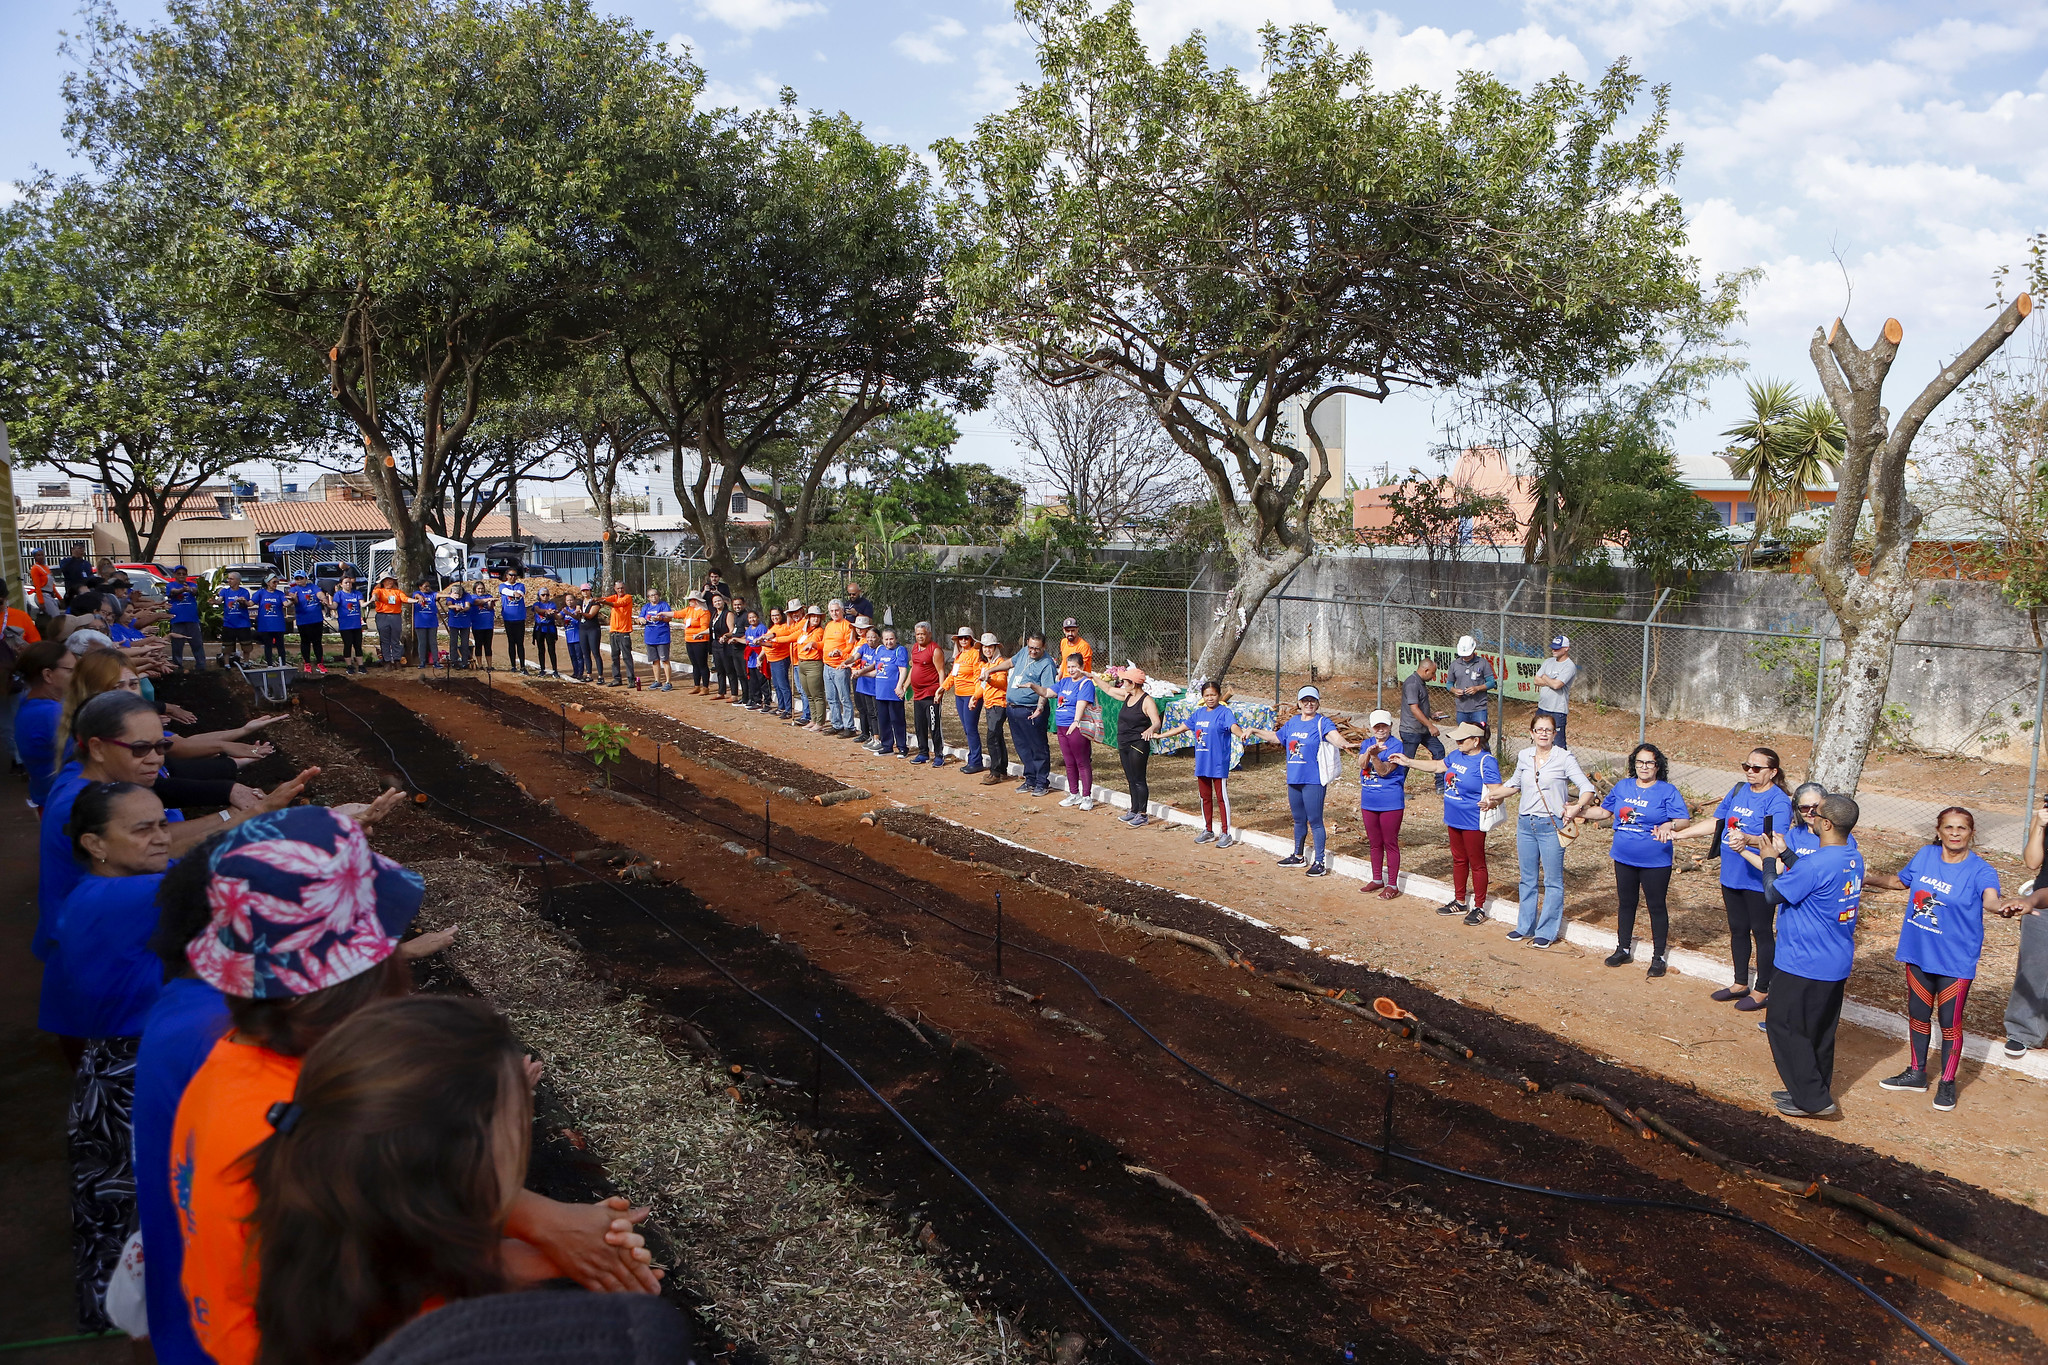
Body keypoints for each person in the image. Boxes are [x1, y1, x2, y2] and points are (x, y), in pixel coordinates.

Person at [172, 808, 660, 1365]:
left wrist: (553, 1240)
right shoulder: (322, 1117)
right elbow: (390, 1278)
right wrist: (553, 1238)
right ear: (371, 965)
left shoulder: (235, 1063)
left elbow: (385, 1247)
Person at [248, 996, 594, 1365]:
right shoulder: (474, 1340)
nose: (525, 1125)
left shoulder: (316, 1242)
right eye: (518, 1117)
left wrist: (540, 1257)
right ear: (459, 1172)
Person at [38, 692, 313, 965]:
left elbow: (161, 840)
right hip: (103, 949)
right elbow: (164, 850)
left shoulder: (89, 780)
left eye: (161, 747)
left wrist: (255, 812)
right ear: (97, 748)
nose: (156, 760)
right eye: (140, 748)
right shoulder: (78, 805)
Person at [40, 781, 172, 1329]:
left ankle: (121, 1314)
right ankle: (144, 1323)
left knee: (118, 1204)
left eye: (162, 823)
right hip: (131, 1074)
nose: (162, 838)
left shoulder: (97, 891)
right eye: (143, 829)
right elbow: (228, 877)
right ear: (95, 843)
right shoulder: (127, 897)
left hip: (112, 1068)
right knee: (143, 1203)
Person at [1738, 793, 1863, 1119]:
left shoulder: (1819, 864)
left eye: (1816, 813)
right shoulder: (1851, 855)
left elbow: (1772, 893)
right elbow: (1812, 875)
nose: (1810, 816)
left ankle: (1814, 1102)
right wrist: (1787, 853)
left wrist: (1768, 858)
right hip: (1834, 961)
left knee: (1783, 1026)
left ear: (1826, 824)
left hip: (1803, 963)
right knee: (1819, 1031)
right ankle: (1810, 1089)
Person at [1876, 808, 2004, 1111]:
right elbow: (1899, 881)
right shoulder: (1924, 855)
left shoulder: (1981, 870)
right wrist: (1864, 877)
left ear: (1972, 833)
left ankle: (1947, 1083)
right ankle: (1917, 1073)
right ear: (1938, 831)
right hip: (1919, 953)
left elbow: (1991, 900)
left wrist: (2002, 908)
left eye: (1962, 828)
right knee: (1918, 1014)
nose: (1955, 833)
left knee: (1950, 1023)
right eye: (1949, 827)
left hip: (1954, 961)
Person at [1669, 747, 1793, 1011]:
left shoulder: (1778, 801)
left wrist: (1746, 839)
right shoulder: (1738, 791)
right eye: (1746, 766)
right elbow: (1718, 823)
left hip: (1759, 876)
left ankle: (1762, 989)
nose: (1750, 772)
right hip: (1732, 874)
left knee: (1761, 931)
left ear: (1773, 772)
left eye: (1756, 768)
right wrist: (1681, 835)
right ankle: (1739, 983)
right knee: (1737, 929)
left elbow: (1776, 841)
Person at [1578, 743, 1690, 976]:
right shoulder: (1623, 786)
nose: (1644, 767)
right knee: (1626, 903)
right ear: (1633, 764)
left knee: (1656, 906)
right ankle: (1623, 948)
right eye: (1639, 762)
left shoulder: (1667, 791)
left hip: (1655, 861)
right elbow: (1604, 813)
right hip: (1623, 857)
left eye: (1649, 762)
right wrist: (1577, 811)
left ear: (1658, 766)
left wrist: (1670, 824)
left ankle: (1658, 956)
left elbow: (1683, 821)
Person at [1484, 714, 1593, 948]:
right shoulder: (1525, 756)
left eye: (1548, 730)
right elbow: (1514, 784)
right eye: (1539, 729)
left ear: (1555, 734)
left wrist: (1576, 807)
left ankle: (1547, 931)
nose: (1543, 733)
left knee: (1553, 881)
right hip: (1526, 824)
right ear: (1531, 733)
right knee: (1528, 879)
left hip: (1551, 825)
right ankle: (1525, 926)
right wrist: (1492, 797)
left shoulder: (1564, 758)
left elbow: (1587, 788)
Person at [1397, 721, 1498, 919]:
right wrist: (1408, 762)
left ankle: (1479, 907)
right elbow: (1437, 766)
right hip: (1453, 818)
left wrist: (1492, 802)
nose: (1458, 742)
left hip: (1472, 820)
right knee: (1459, 860)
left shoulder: (1486, 761)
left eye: (1462, 739)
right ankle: (1460, 901)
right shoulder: (1456, 755)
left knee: (1476, 863)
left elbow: (1497, 790)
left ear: (1476, 740)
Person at [1248, 685, 1352, 874]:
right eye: (1305, 701)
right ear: (1299, 703)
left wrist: (1345, 744)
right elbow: (1276, 738)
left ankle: (1320, 862)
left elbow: (1335, 738)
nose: (1308, 704)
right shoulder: (1293, 722)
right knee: (1298, 820)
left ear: (1318, 703)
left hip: (1313, 780)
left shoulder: (1323, 722)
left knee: (1315, 821)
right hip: (1294, 779)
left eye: (1312, 700)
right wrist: (1255, 731)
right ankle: (1298, 856)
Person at [1152, 679, 1244, 848]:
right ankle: (1208, 830)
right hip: (1202, 763)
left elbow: (1233, 727)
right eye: (1207, 695)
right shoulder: (1199, 713)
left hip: (1217, 763)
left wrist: (1241, 734)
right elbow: (1181, 728)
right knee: (1205, 798)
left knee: (1221, 798)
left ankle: (1226, 832)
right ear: (1202, 697)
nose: (1210, 698)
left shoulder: (1225, 712)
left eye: (1213, 695)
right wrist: (1161, 736)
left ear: (1218, 695)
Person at [1355, 709, 1409, 897]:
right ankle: (1377, 878)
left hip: (1390, 802)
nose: (1380, 730)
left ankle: (1392, 885)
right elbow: (1362, 764)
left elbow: (1385, 771)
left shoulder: (1396, 745)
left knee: (1390, 842)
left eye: (1384, 726)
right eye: (1377, 726)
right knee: (1374, 842)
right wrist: (1369, 752)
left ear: (1390, 726)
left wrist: (1376, 757)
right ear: (1371, 727)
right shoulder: (1367, 743)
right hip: (1369, 801)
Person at [16, 640, 76, 806]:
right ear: (48, 675)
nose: (76, 675)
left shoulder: (31, 701)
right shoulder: (50, 713)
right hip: (65, 802)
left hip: (49, 797)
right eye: (71, 670)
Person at [1002, 631, 1060, 796]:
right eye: (1031, 647)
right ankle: (1030, 779)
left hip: (1031, 710)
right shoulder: (1023, 653)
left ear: (1044, 647)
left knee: (1038, 747)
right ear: (1027, 643)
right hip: (1014, 708)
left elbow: (1046, 691)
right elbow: (1009, 663)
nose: (1033, 651)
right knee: (1022, 746)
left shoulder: (1047, 664)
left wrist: (1039, 708)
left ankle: (1042, 782)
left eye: (1037, 648)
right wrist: (991, 670)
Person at [1107, 667, 1160, 826]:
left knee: (1139, 779)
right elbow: (1108, 689)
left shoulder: (1146, 701)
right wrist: (1092, 676)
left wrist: (1150, 729)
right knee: (1130, 778)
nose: (1122, 683)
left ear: (1134, 684)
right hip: (1123, 742)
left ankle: (1142, 814)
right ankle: (1134, 809)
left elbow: (1156, 722)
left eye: (1125, 681)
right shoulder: (1127, 695)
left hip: (1138, 744)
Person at [1051, 653, 1099, 809]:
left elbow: (1081, 703)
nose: (1071, 670)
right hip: (1062, 726)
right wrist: (1032, 686)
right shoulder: (1064, 681)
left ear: (1082, 667)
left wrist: (1076, 721)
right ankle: (1074, 794)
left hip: (1076, 727)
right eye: (1069, 667)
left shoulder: (1086, 683)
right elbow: (1047, 692)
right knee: (1069, 762)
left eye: (1074, 667)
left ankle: (1086, 797)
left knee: (1082, 761)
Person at [1398, 659, 1445, 793]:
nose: (1433, 676)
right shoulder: (1412, 683)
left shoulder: (1420, 682)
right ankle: (1396, 789)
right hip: (1411, 730)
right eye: (1433, 673)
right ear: (1425, 670)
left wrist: (1431, 715)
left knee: (1438, 750)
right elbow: (1414, 709)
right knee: (1405, 761)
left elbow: (1419, 706)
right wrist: (1431, 726)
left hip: (1421, 729)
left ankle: (1441, 786)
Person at [945, 627, 986, 774]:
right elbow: (952, 675)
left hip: (970, 696)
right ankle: (972, 758)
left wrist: (975, 697)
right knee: (967, 729)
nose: (963, 641)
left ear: (971, 640)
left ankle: (976, 761)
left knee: (971, 728)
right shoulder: (959, 656)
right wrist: (942, 688)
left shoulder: (975, 654)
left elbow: (977, 677)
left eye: (966, 638)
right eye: (960, 638)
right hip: (959, 696)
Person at [908, 622, 947, 765]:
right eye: (917, 634)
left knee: (933, 725)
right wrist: (905, 686)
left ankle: (938, 755)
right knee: (920, 725)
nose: (920, 637)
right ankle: (923, 753)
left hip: (931, 694)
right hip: (917, 694)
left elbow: (941, 671)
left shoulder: (935, 650)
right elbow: (914, 668)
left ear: (929, 634)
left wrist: (940, 691)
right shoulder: (914, 648)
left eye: (923, 634)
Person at [976, 634, 1010, 786]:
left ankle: (995, 772)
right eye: (985, 647)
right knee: (997, 737)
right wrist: (975, 697)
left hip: (999, 704)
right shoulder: (986, 665)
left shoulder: (1000, 663)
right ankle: (1002, 769)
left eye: (990, 646)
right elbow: (982, 686)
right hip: (989, 704)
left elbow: (1002, 683)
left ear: (996, 647)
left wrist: (990, 679)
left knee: (992, 737)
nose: (987, 649)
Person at [872, 627, 911, 758]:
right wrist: (860, 673)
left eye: (891, 639)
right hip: (881, 691)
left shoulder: (900, 650)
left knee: (897, 720)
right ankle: (887, 746)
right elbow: (876, 670)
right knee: (883, 720)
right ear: (882, 640)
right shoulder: (880, 650)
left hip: (894, 693)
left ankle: (902, 747)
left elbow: (903, 670)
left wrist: (900, 686)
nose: (889, 642)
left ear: (896, 639)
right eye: (886, 639)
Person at [1533, 635, 1578, 750]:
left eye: (1557, 648)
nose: (1553, 650)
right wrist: (1551, 681)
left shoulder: (1569, 666)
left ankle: (1561, 767)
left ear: (1566, 648)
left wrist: (1545, 677)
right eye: (1553, 647)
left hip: (1557, 710)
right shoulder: (1548, 662)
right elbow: (1536, 680)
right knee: (1540, 740)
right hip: (1542, 707)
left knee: (1558, 744)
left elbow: (1557, 685)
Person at [822, 601, 857, 736]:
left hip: (840, 667)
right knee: (831, 697)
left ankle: (849, 727)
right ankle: (836, 724)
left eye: (836, 610)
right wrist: (813, 644)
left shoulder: (847, 626)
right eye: (831, 611)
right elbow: (824, 644)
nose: (834, 613)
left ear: (842, 610)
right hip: (827, 666)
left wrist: (839, 652)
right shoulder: (829, 625)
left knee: (844, 698)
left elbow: (850, 646)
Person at [1445, 637, 1494, 727]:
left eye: (1468, 654)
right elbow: (1449, 684)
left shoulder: (1483, 663)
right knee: (1464, 737)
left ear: (1474, 649)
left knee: (1480, 735)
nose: (1466, 657)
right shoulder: (1454, 664)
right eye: (1463, 655)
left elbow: (1491, 682)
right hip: (1462, 708)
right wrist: (1454, 690)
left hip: (1479, 708)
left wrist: (1477, 688)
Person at [164, 565, 207, 670]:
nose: (181, 576)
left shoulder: (192, 584)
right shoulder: (170, 585)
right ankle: (178, 666)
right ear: (174, 575)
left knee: (197, 643)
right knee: (177, 645)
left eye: (184, 574)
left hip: (192, 619)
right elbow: (173, 592)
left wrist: (189, 589)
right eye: (179, 574)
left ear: (187, 575)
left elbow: (195, 591)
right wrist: (182, 590)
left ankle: (201, 665)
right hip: (177, 619)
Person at [287, 570, 329, 675]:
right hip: (303, 620)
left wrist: (323, 599)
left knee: (317, 642)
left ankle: (320, 663)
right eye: (297, 578)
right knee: (305, 642)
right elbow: (293, 600)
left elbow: (319, 594)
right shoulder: (294, 589)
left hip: (316, 619)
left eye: (301, 578)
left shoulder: (313, 587)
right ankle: (307, 663)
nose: (299, 580)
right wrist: (293, 599)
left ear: (306, 578)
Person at [795, 606, 827, 729]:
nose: (815, 619)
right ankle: (813, 719)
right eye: (813, 616)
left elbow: (823, 644)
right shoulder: (804, 631)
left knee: (817, 694)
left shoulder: (820, 631)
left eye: (817, 616)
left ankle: (820, 721)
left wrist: (814, 644)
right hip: (802, 663)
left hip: (813, 664)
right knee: (808, 694)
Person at [214, 571, 255, 667]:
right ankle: (227, 664)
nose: (229, 581)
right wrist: (214, 601)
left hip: (243, 624)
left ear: (237, 580)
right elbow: (219, 601)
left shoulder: (244, 592)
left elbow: (245, 604)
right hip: (229, 623)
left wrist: (242, 601)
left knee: (246, 645)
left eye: (231, 579)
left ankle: (246, 662)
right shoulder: (225, 591)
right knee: (227, 646)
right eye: (228, 579)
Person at [850, 621, 881, 747]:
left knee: (874, 712)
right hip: (862, 683)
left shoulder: (880, 649)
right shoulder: (862, 646)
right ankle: (868, 734)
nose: (871, 639)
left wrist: (860, 672)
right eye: (869, 637)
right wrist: (845, 662)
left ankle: (877, 737)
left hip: (873, 684)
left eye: (873, 637)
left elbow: (874, 667)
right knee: (865, 709)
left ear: (878, 638)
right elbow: (854, 657)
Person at [600, 582, 636, 687]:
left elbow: (616, 604)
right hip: (613, 632)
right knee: (614, 657)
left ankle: (631, 679)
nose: (620, 590)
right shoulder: (614, 597)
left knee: (626, 656)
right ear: (615, 589)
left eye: (622, 588)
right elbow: (606, 599)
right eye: (618, 588)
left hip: (624, 632)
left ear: (625, 588)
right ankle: (617, 679)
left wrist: (604, 602)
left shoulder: (628, 597)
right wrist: (596, 599)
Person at [332, 573, 367, 675]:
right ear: (341, 584)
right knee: (348, 645)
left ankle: (361, 665)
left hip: (356, 624)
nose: (348, 585)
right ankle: (349, 665)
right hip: (345, 625)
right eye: (346, 583)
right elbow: (334, 606)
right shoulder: (338, 595)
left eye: (350, 583)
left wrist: (371, 601)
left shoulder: (357, 593)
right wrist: (327, 604)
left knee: (358, 645)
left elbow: (362, 604)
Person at [640, 588, 674, 692]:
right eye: (651, 595)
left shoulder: (663, 605)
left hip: (662, 637)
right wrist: (641, 620)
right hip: (650, 637)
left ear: (658, 595)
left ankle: (668, 682)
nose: (654, 597)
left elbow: (669, 618)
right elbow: (640, 618)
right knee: (655, 661)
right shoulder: (646, 607)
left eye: (655, 595)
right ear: (648, 598)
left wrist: (661, 619)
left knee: (665, 660)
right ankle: (657, 681)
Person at [764, 606, 795, 716]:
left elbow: (774, 644)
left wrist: (761, 643)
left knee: (783, 684)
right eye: (772, 615)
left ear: (781, 615)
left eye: (777, 615)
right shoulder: (772, 627)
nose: (774, 617)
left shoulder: (783, 628)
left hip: (781, 659)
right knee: (776, 685)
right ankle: (781, 706)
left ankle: (788, 709)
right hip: (772, 659)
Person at [371, 574, 407, 668]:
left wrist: (415, 600)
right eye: (387, 580)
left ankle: (397, 660)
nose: (389, 582)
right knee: (385, 640)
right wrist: (374, 597)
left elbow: (405, 599)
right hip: (382, 616)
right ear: (383, 582)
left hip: (395, 616)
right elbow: (375, 595)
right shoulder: (378, 590)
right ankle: (386, 661)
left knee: (395, 639)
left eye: (391, 580)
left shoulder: (397, 591)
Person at [498, 569, 529, 674]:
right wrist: (513, 592)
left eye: (515, 575)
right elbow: (504, 591)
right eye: (511, 575)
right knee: (511, 642)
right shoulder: (502, 586)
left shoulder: (520, 585)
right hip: (508, 618)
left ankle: (523, 666)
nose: (513, 577)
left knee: (520, 643)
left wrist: (516, 593)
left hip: (519, 618)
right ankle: (513, 665)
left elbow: (520, 593)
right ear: (507, 575)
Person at [680, 593, 713, 694]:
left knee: (702, 664)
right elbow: (676, 614)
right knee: (695, 664)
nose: (689, 602)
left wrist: (697, 633)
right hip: (689, 640)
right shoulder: (689, 610)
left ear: (696, 601)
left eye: (691, 600)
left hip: (700, 641)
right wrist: (662, 613)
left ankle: (705, 687)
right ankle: (696, 685)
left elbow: (704, 627)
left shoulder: (704, 612)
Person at [255, 575, 290, 666]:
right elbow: (250, 603)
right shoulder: (260, 593)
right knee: (268, 645)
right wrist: (243, 602)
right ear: (267, 583)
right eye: (274, 582)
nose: (276, 584)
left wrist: (293, 600)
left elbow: (286, 604)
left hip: (278, 624)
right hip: (265, 624)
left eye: (277, 582)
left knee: (280, 645)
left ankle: (283, 664)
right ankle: (269, 665)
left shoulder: (279, 593)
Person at [409, 582, 442, 678]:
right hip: (420, 623)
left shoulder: (432, 594)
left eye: (428, 586)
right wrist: (419, 597)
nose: (427, 588)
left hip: (432, 623)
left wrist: (450, 595)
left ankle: (436, 661)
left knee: (433, 642)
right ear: (420, 587)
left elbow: (439, 595)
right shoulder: (416, 593)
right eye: (425, 586)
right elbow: (416, 595)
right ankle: (422, 661)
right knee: (422, 642)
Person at [441, 579, 473, 669]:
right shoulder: (450, 597)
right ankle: (454, 661)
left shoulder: (467, 596)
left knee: (465, 642)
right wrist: (455, 606)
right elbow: (449, 604)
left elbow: (468, 606)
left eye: (459, 594)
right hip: (454, 622)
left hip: (465, 622)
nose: (458, 596)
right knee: (453, 642)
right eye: (456, 594)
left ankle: (465, 661)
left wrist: (464, 608)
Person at [531, 587, 562, 678]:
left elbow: (554, 613)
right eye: (543, 595)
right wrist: (547, 611)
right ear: (539, 596)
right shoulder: (537, 604)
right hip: (540, 629)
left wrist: (552, 612)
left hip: (550, 628)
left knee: (551, 649)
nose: (545, 596)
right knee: (541, 649)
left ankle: (555, 669)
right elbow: (538, 610)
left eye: (547, 595)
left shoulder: (552, 604)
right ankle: (542, 669)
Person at [742, 609, 770, 708]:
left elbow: (764, 643)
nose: (752, 619)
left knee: (762, 680)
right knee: (753, 680)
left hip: (760, 656)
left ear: (757, 617)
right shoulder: (749, 629)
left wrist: (760, 657)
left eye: (754, 617)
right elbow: (747, 642)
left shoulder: (762, 628)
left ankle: (767, 701)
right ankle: (756, 700)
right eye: (750, 618)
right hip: (751, 658)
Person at [469, 578, 498, 669]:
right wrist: (488, 599)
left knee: (488, 645)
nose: (480, 590)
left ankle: (490, 665)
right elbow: (477, 602)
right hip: (477, 626)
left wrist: (490, 602)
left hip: (488, 625)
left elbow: (490, 607)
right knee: (478, 645)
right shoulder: (473, 597)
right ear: (475, 590)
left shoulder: (488, 596)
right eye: (478, 589)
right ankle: (480, 665)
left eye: (482, 588)